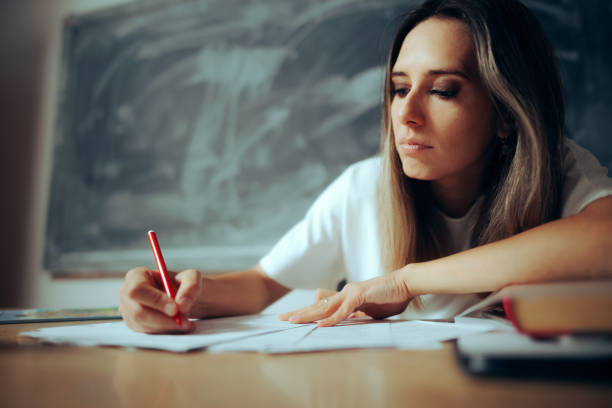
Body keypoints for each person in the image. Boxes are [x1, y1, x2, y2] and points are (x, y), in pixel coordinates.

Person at [119, 0, 612, 333]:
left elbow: (603, 238)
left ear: (505, 114)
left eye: (442, 90)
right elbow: (262, 284)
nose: (407, 113)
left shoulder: (560, 170)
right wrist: (181, 294)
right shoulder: (362, 188)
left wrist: (405, 280)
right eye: (399, 89)